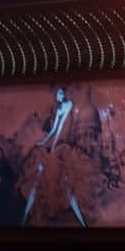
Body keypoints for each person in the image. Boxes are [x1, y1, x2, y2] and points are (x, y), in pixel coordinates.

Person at [21, 87, 87, 227]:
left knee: (67, 186)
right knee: (37, 181)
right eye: (57, 93)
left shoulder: (69, 104)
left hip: (63, 145)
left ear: (64, 94)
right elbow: (53, 130)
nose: (58, 95)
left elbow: (62, 126)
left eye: (61, 93)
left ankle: (82, 223)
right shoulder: (58, 109)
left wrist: (53, 146)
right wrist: (44, 142)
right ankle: (23, 220)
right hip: (54, 145)